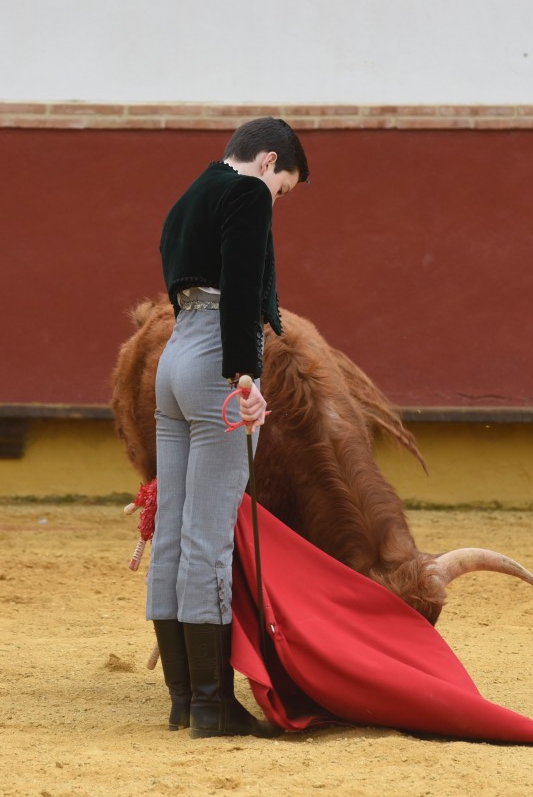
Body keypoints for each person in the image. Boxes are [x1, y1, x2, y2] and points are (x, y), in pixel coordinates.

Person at [146, 117, 310, 738]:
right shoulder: (246, 193)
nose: (277, 201)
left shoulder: (190, 193)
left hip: (173, 357)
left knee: (173, 529)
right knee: (207, 536)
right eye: (284, 189)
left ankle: (185, 699)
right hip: (218, 358)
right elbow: (241, 286)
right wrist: (245, 374)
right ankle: (214, 708)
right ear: (268, 162)